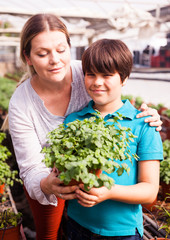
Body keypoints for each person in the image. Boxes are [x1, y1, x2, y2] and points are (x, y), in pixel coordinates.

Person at [7, 13, 162, 240]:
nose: (55, 60)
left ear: (70, 49)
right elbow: (31, 168)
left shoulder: (87, 70)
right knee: (49, 231)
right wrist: (48, 184)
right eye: (42, 53)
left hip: (120, 229)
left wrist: (145, 115)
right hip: (51, 185)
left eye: (61, 50)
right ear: (28, 57)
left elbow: (113, 90)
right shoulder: (23, 102)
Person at [64, 39, 163, 240]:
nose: (97, 82)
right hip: (75, 225)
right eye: (90, 74)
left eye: (107, 75)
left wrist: (108, 191)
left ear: (124, 78)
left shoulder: (144, 125)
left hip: (121, 233)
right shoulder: (73, 121)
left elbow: (150, 191)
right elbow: (67, 172)